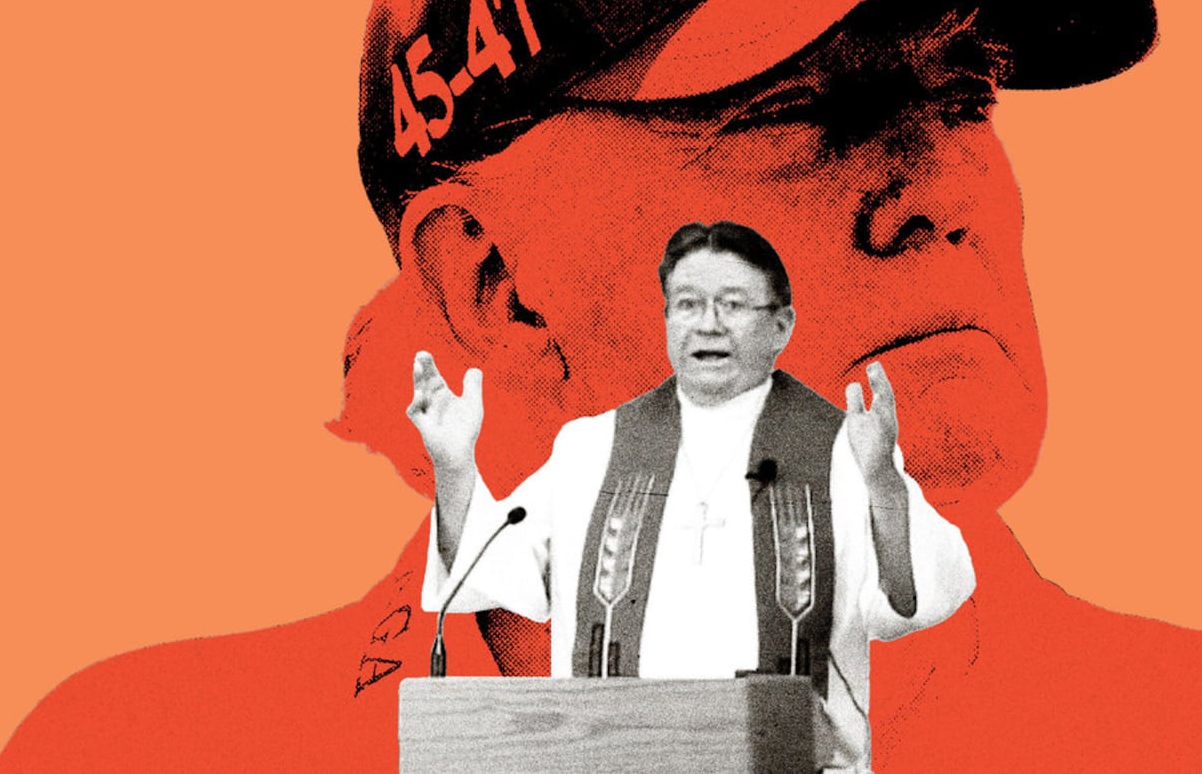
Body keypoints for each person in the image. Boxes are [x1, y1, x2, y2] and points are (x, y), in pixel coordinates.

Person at [0, 0, 1202, 770]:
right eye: (793, 116)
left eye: (961, 94)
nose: (939, 196)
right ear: (496, 282)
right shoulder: (155, 754)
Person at [410, 221, 974, 771]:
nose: (708, 325)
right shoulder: (591, 448)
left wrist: (881, 481)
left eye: (732, 305)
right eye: (687, 304)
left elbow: (913, 598)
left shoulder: (841, 450)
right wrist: (455, 464)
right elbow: (489, 569)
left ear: (781, 325)